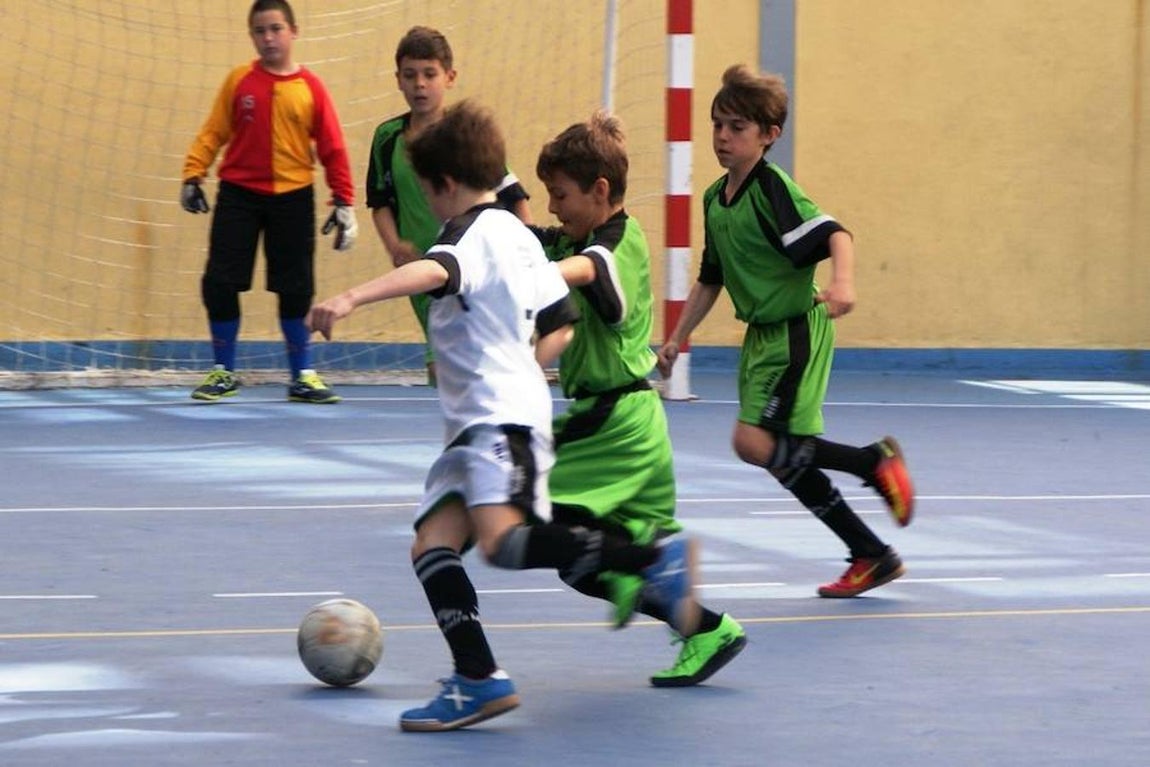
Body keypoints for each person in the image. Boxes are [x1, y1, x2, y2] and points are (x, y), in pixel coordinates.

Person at [307, 100, 698, 732]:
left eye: (427, 192)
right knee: (431, 546)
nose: (429, 206)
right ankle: (478, 677)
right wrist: (519, 365)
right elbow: (561, 321)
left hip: (495, 419)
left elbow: (437, 270)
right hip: (488, 417)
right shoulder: (522, 238)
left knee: (505, 542)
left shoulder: (468, 234)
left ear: (444, 184)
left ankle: (652, 560)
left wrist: (351, 295)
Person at [657, 64, 916, 598]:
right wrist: (677, 337)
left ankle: (873, 463)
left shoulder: (773, 191)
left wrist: (843, 282)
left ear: (769, 135)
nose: (723, 138)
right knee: (779, 457)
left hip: (796, 332)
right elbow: (711, 279)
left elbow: (836, 233)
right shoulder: (714, 199)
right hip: (760, 340)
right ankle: (870, 553)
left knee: (756, 442)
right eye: (718, 126)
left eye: (737, 128)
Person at [531, 111, 745, 687]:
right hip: (633, 421)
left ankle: (654, 564)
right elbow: (530, 233)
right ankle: (707, 629)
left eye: (562, 196)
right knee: (581, 569)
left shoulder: (617, 244)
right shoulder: (580, 234)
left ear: (600, 191)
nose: (554, 208)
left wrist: (543, 274)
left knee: (526, 509)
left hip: (614, 420)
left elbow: (587, 269)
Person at [181, 0, 355, 404]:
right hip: (238, 196)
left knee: (296, 289)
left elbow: (332, 147)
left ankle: (302, 376)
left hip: (293, 198)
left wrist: (343, 200)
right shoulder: (239, 81)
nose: (269, 37)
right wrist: (193, 174)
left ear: (294, 32)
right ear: (252, 37)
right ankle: (223, 371)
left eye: (276, 28)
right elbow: (213, 133)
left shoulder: (311, 88)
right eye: (260, 31)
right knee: (219, 282)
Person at [365, 26, 532, 386]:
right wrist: (395, 245)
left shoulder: (465, 135)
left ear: (450, 77)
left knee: (457, 369)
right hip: (421, 270)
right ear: (398, 80)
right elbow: (379, 201)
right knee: (444, 372)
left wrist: (527, 253)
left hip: (471, 268)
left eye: (429, 74)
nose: (420, 84)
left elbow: (512, 194)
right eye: (410, 75)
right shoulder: (386, 138)